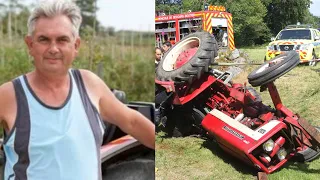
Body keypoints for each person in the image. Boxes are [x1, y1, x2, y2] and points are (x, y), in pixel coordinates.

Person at [0, 0, 155, 180]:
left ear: (76, 46)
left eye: (62, 39)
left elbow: (132, 122)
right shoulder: (10, 95)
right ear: (30, 44)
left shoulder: (89, 85)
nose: (53, 48)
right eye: (44, 39)